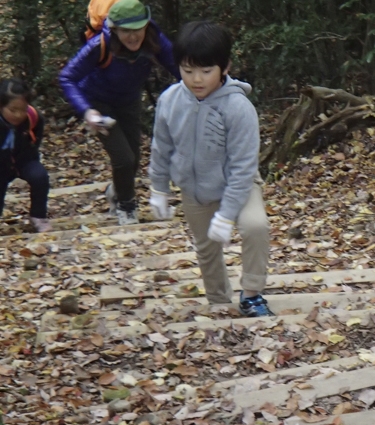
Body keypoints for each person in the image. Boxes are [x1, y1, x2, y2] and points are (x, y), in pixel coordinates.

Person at [148, 21, 273, 317]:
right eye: (188, 71)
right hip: (194, 188)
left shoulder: (238, 108)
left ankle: (252, 293)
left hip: (239, 185)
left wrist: (227, 214)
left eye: (206, 71)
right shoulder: (169, 101)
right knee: (206, 248)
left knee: (256, 226)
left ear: (225, 67)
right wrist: (158, 189)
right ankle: (219, 301)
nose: (196, 79)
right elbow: (161, 147)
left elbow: (244, 166)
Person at [59, 0, 179, 225]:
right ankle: (126, 207)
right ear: (114, 29)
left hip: (129, 101)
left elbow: (177, 66)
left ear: (146, 26)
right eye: (125, 31)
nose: (133, 37)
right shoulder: (100, 45)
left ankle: (115, 192)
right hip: (98, 104)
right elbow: (67, 77)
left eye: (138, 30)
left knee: (133, 161)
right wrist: (87, 112)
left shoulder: (154, 39)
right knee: (123, 160)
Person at [0, 78, 51, 233]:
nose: (18, 115)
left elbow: (35, 142)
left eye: (22, 109)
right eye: (12, 110)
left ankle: (38, 216)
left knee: (40, 177)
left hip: (24, 159)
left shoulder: (34, 118)